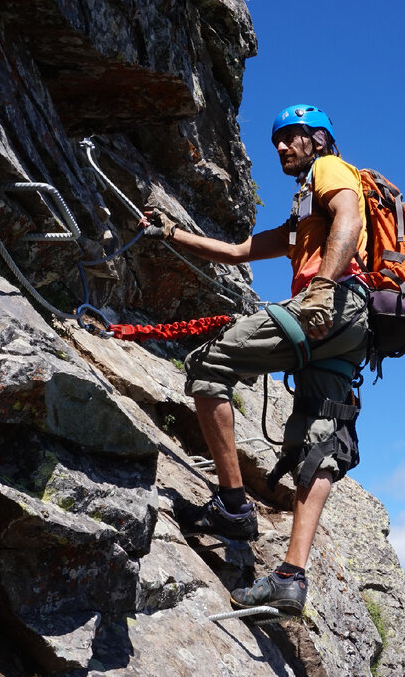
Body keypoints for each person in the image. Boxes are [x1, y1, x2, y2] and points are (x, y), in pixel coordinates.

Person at [141, 104, 370, 616]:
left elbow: (350, 216)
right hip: (356, 328)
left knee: (209, 365)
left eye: (291, 138)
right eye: (278, 142)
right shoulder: (302, 224)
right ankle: (291, 576)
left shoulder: (329, 170)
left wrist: (323, 288)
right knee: (322, 440)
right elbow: (238, 250)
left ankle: (233, 506)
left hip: (331, 305)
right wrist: (171, 234)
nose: (282, 148)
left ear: (317, 139)